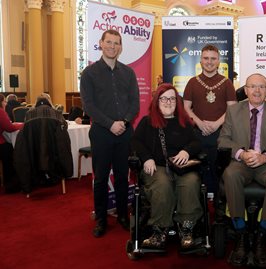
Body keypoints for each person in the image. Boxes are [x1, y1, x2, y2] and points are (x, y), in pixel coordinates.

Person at [218, 73, 266, 267]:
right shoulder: (234, 111)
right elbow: (224, 140)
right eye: (252, 86)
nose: (257, 91)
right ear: (246, 90)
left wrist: (265, 156)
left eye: (261, 87)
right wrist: (242, 154)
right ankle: (240, 233)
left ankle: (262, 234)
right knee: (230, 173)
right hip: (241, 164)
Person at [80, 29, 140, 238]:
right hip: (101, 133)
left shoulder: (128, 73)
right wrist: (110, 124)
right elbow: (88, 106)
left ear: (120, 47)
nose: (112, 46)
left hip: (124, 132)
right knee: (101, 178)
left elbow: (135, 103)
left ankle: (123, 215)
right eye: (109, 42)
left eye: (116, 43)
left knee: (123, 177)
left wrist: (123, 122)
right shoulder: (89, 73)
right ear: (101, 44)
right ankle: (101, 219)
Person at [131, 83, 203, 250]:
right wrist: (146, 158)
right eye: (164, 98)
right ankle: (159, 230)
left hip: (181, 166)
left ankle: (186, 228)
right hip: (156, 166)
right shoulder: (147, 121)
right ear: (157, 101)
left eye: (172, 98)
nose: (168, 102)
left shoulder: (184, 122)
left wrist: (186, 151)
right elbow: (135, 141)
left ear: (177, 102)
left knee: (191, 181)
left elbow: (196, 142)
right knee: (162, 184)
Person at [183, 44, 237, 196]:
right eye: (206, 58)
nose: (209, 62)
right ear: (200, 60)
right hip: (197, 134)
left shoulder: (227, 83)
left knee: (220, 171)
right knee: (198, 171)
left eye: (213, 58)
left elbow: (232, 109)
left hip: (221, 134)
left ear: (218, 61)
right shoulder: (192, 82)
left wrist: (216, 124)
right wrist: (199, 123)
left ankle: (220, 204)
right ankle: (200, 203)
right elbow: (186, 107)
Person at [0, 94, 24, 193]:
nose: (6, 103)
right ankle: (11, 185)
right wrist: (23, 125)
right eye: (4, 101)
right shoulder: (0, 112)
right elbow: (9, 128)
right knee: (12, 151)